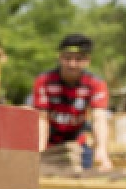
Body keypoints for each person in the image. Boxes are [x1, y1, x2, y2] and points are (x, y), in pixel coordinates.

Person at [33, 33, 112, 170]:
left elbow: (99, 118)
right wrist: (39, 152)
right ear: (60, 57)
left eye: (78, 59)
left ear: (87, 61)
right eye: (67, 58)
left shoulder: (96, 83)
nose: (72, 64)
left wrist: (101, 150)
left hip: (78, 144)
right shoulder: (44, 81)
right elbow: (41, 119)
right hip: (49, 144)